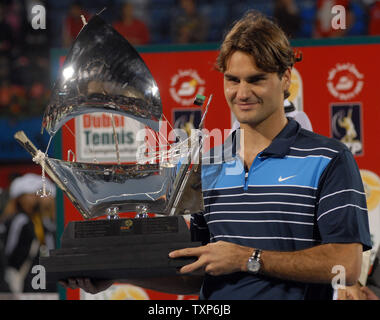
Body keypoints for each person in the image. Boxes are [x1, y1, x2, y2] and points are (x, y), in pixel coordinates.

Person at [61, 11, 371, 300]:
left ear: (286, 78)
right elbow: (199, 270)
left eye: (256, 79)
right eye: (232, 80)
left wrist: (246, 260)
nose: (242, 93)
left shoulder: (330, 158)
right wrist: (116, 274)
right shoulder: (207, 165)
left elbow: (346, 264)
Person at [1, 173, 56, 293]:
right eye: (29, 195)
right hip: (22, 275)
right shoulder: (19, 220)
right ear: (20, 198)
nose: (34, 199)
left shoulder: (40, 220)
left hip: (39, 275)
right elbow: (9, 249)